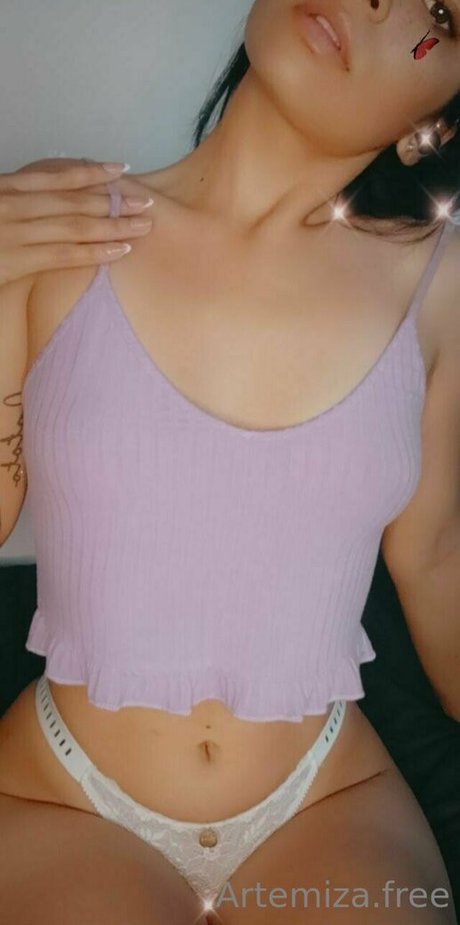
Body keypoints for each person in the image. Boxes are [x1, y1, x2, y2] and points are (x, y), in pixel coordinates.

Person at [0, 1, 459, 923]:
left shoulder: (439, 285)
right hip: (62, 797)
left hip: (328, 799)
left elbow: (435, 556)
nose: (384, 0)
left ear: (435, 126)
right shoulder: (57, 221)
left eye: (442, 15)